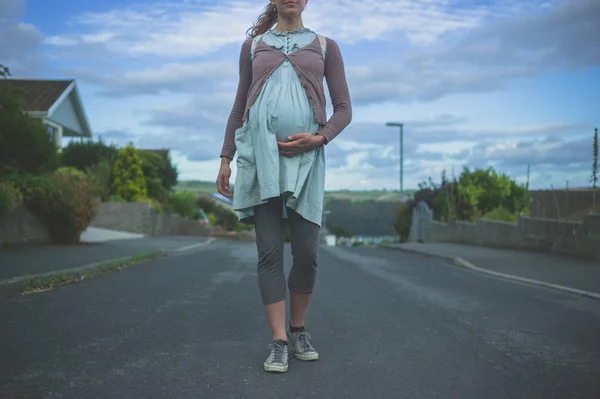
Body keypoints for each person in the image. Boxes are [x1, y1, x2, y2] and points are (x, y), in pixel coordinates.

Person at [216, 0, 351, 373]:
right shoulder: (253, 47)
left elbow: (343, 108)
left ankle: (298, 329)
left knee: (306, 253)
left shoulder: (326, 46)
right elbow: (239, 104)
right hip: (260, 159)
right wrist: (226, 157)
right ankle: (278, 341)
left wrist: (320, 138)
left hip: (306, 162)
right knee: (269, 253)